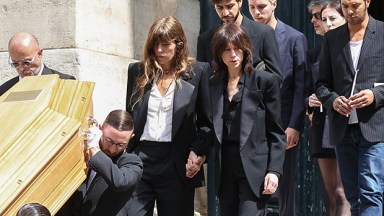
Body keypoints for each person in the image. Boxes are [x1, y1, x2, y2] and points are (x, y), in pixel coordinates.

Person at [125, 16, 212, 216]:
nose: (160, 50)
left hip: (176, 162)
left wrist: (197, 152)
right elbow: (131, 117)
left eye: (166, 44)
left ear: (179, 44)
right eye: (155, 44)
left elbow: (207, 123)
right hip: (140, 159)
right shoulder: (137, 71)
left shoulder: (197, 72)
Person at [315, 0, 384, 215]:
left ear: (367, 2)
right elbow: (321, 84)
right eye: (345, 6)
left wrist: (374, 95)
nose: (350, 11)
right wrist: (333, 100)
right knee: (353, 196)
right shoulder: (332, 38)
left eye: (355, 5)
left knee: (371, 192)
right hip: (342, 129)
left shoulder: (382, 32)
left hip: (373, 127)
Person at [210, 23, 286, 216]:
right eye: (227, 49)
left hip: (255, 169)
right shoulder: (212, 84)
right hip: (225, 167)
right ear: (219, 53)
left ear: (245, 50)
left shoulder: (265, 82)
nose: (233, 54)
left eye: (237, 48)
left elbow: (276, 132)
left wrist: (274, 171)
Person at [248, 1, 307, 215]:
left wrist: (295, 125)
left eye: (261, 6)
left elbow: (300, 87)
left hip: (283, 123)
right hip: (250, 123)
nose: (256, 12)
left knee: (285, 183)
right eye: (252, 7)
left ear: (274, 3)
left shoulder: (294, 38)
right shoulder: (243, 36)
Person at [306, 0, 351, 215]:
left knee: (344, 193)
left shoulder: (355, 48)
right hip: (322, 124)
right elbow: (306, 88)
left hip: (347, 122)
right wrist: (309, 100)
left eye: (333, 18)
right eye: (325, 20)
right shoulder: (315, 53)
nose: (328, 23)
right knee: (330, 193)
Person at [57, 109, 143, 216]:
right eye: (109, 141)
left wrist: (94, 148)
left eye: (120, 144)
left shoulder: (133, 163)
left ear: (131, 137)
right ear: (100, 129)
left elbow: (119, 182)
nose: (112, 149)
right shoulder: (82, 153)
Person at [196, 0, 282, 82]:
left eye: (229, 6)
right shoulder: (205, 39)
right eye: (220, 7)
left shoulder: (264, 33)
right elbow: (201, 80)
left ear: (240, 2)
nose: (225, 13)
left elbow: (275, 78)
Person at [0, 32, 75, 96]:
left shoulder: (65, 83)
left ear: (39, 54)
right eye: (15, 64)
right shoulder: (4, 90)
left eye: (26, 62)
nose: (21, 69)